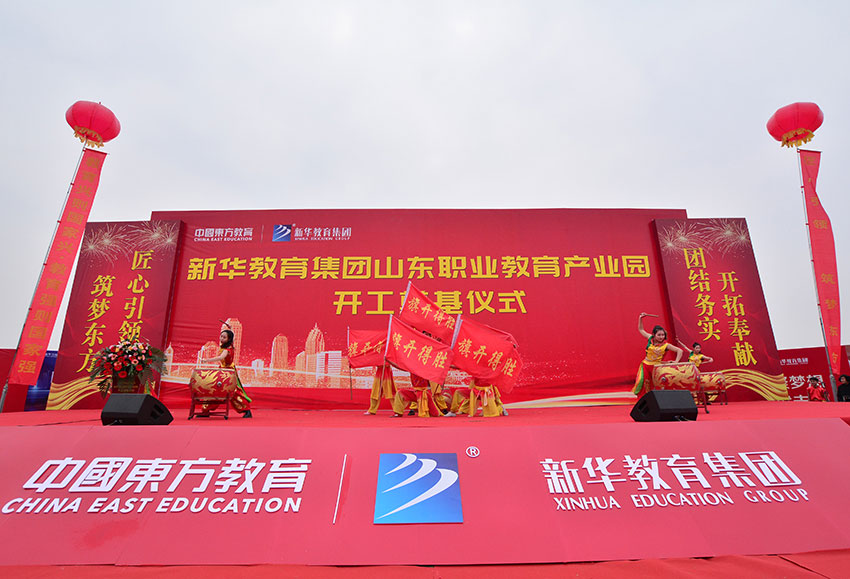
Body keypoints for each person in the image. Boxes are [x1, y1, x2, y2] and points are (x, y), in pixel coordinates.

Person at [200, 329, 253, 417]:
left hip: (227, 373)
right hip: (224, 372)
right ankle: (206, 409)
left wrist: (207, 360)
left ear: (229, 339)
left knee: (232, 391)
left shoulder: (227, 349)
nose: (221, 338)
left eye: (224, 337)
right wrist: (230, 328)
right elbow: (233, 336)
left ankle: (246, 409)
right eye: (221, 336)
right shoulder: (230, 346)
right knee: (216, 389)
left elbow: (221, 357)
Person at [634, 313, 683, 397]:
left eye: (663, 335)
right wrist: (640, 318)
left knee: (656, 384)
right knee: (643, 382)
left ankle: (658, 399)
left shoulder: (666, 345)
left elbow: (680, 351)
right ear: (654, 335)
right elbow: (641, 329)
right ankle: (643, 399)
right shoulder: (650, 338)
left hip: (656, 367)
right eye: (659, 335)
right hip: (645, 365)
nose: (661, 337)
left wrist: (676, 361)